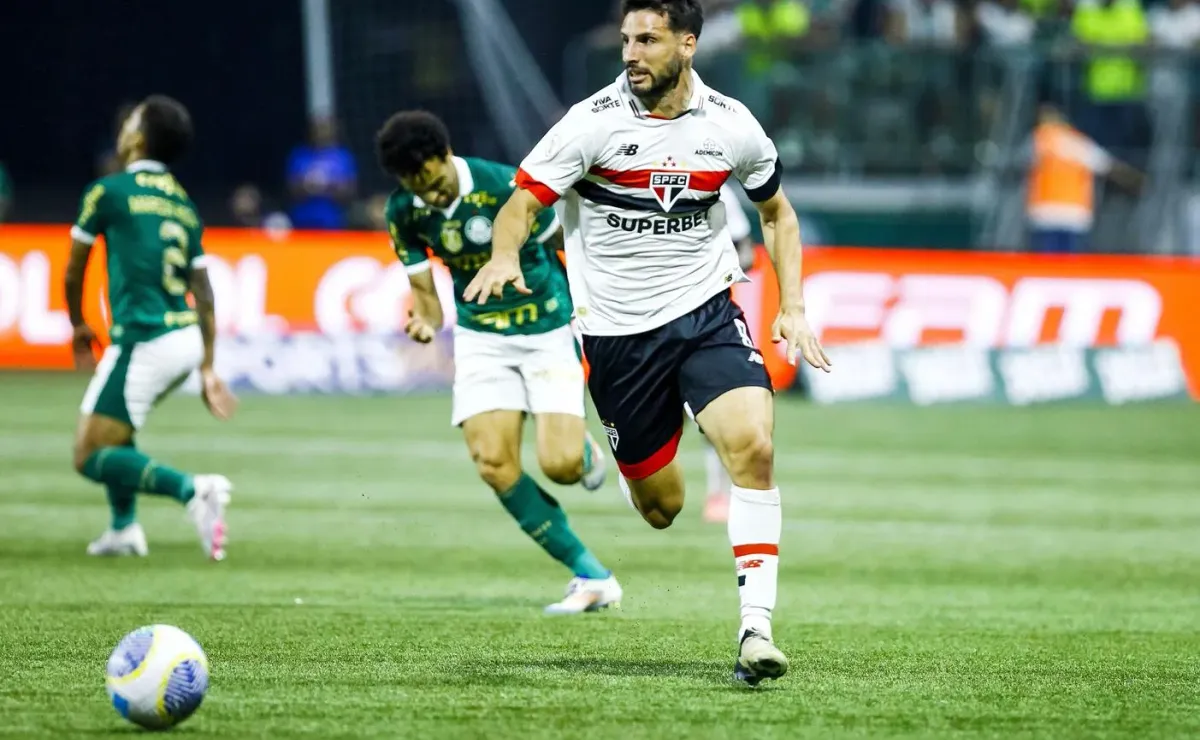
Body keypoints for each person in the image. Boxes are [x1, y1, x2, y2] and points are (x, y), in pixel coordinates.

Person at [465, 0, 831, 685]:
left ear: (687, 44)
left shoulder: (730, 124)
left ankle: (756, 628)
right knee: (662, 509)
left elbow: (777, 214)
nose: (631, 53)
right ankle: (636, 446)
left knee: (754, 446)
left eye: (648, 40)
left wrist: (795, 306)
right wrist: (507, 253)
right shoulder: (590, 124)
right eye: (627, 39)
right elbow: (519, 203)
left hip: (704, 316)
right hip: (617, 340)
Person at [375, 110, 622, 615]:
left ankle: (584, 454)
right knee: (493, 463)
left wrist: (599, 303)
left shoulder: (503, 182)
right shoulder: (403, 211)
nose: (431, 195)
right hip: (481, 339)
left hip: (546, 328)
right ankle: (592, 575)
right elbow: (426, 298)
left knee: (560, 465)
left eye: (434, 181)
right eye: (416, 187)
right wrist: (423, 322)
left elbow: (564, 244)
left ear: (446, 156)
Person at [65, 95, 237, 561]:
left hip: (144, 337)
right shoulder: (182, 204)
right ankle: (124, 528)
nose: (123, 127)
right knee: (116, 430)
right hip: (183, 338)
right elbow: (204, 291)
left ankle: (192, 491)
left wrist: (78, 323)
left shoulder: (109, 191)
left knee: (88, 455)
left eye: (131, 122)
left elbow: (73, 270)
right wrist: (206, 366)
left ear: (137, 138)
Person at [701, 182, 755, 524]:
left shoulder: (717, 188)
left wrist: (719, 266)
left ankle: (717, 492)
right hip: (651, 320)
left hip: (709, 317)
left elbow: (745, 250)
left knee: (715, 413)